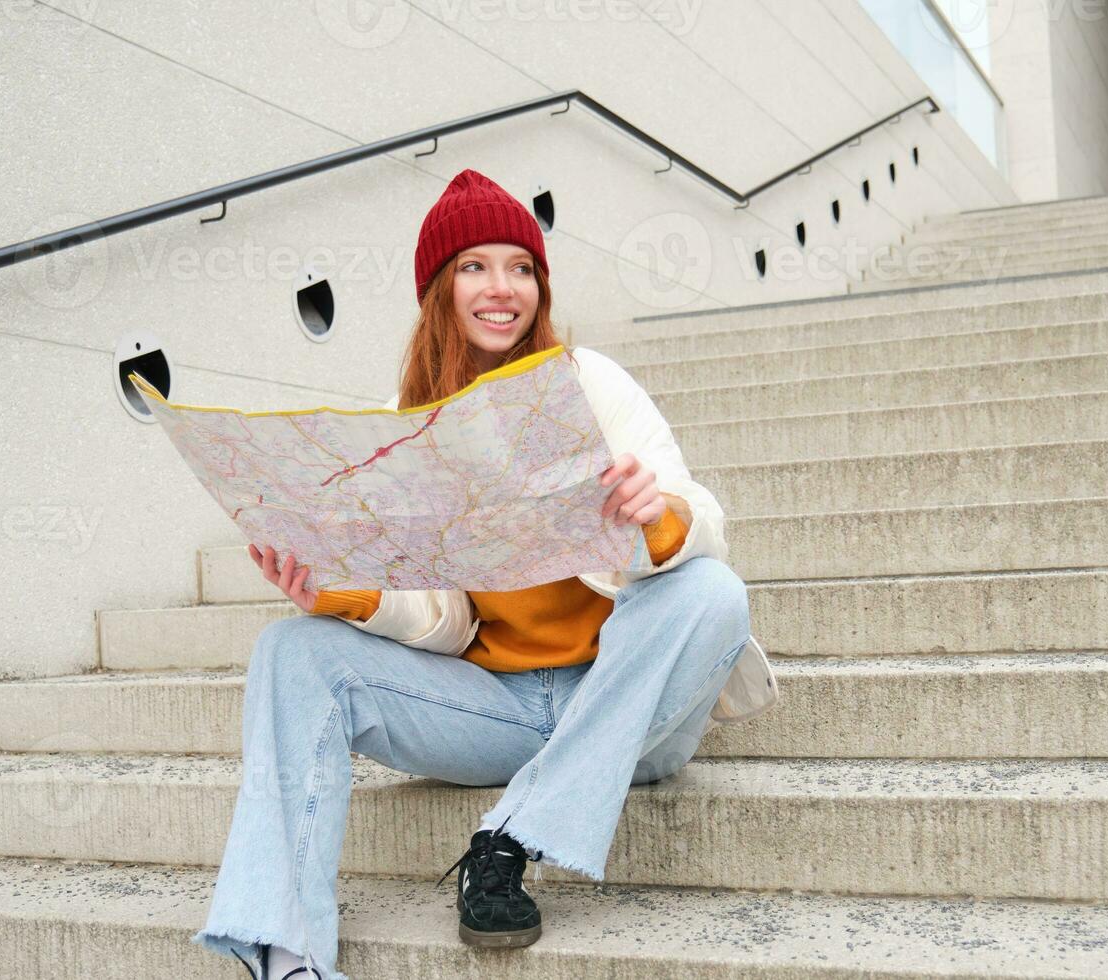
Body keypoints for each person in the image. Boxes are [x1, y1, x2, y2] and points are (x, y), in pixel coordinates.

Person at [191, 168, 777, 980]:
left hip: (625, 700)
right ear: (438, 289)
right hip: (494, 706)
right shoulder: (408, 421)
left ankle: (509, 839)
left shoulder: (590, 381)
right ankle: (287, 950)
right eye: (474, 267)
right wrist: (341, 594)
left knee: (715, 591)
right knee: (292, 651)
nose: (502, 289)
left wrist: (661, 516)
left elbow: (701, 519)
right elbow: (447, 621)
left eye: (521, 267)